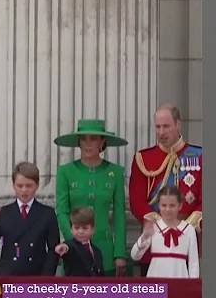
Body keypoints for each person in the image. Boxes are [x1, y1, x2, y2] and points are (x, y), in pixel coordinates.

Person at [129, 104, 203, 277]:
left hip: (186, 243)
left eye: (166, 126)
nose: (161, 132)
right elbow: (136, 200)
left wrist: (186, 227)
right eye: (158, 127)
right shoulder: (143, 159)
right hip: (154, 246)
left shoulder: (199, 156)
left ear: (178, 125)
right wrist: (159, 225)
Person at [54, 119, 130, 277]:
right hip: (73, 252)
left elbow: (119, 214)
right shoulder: (66, 172)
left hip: (105, 249)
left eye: (93, 139)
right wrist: (73, 242)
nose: (88, 144)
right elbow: (61, 211)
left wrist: (120, 253)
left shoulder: (114, 173)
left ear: (102, 142)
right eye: (83, 139)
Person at [0, 161, 60, 276]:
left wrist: (46, 279)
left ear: (37, 185)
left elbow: (54, 250)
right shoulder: (4, 213)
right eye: (20, 185)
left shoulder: (47, 213)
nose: (24, 190)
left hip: (37, 277)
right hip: (9, 277)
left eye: (29, 186)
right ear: (13, 185)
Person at [130, 186, 200, 278]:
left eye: (172, 205)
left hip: (180, 281)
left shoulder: (189, 229)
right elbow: (135, 256)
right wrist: (144, 237)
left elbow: (193, 263)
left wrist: (192, 287)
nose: (167, 209)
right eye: (164, 205)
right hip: (156, 281)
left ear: (180, 206)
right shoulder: (154, 227)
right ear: (159, 205)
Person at [54, 207, 105, 277]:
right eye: (77, 228)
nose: (80, 231)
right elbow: (68, 248)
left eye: (85, 228)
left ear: (92, 229)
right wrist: (63, 248)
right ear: (71, 229)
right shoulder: (71, 246)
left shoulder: (97, 251)